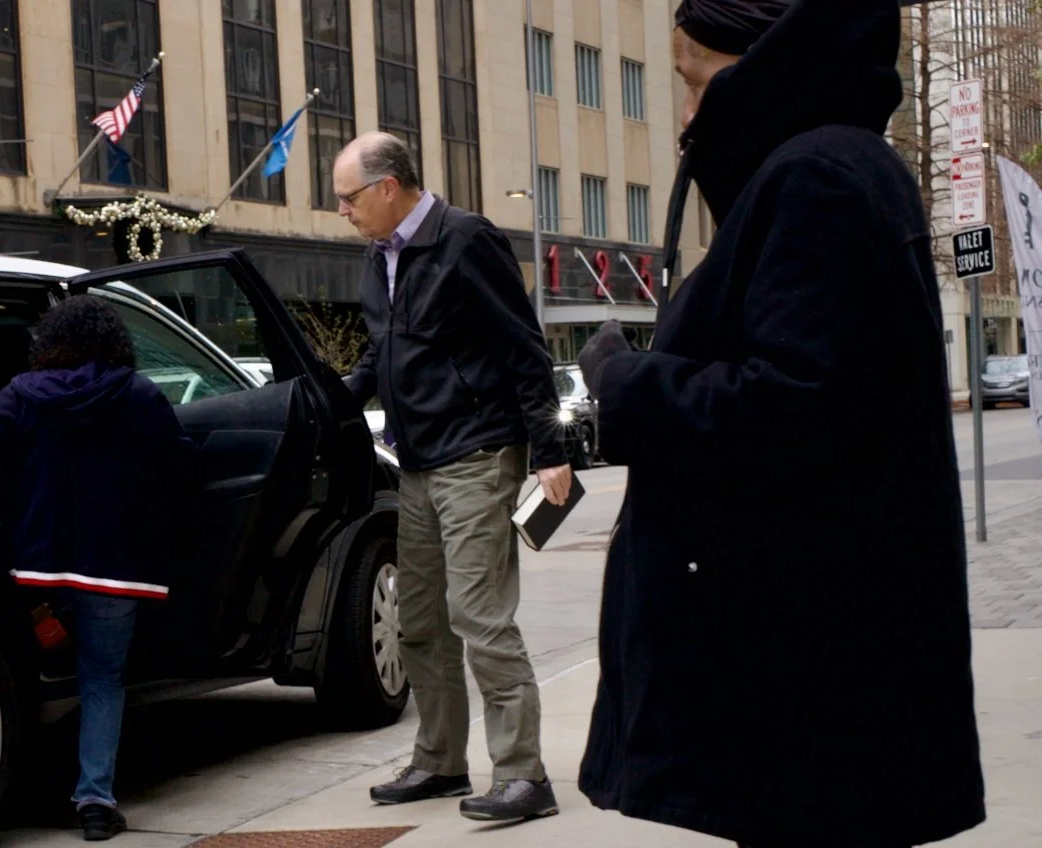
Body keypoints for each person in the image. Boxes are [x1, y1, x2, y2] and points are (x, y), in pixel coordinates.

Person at [574, 1, 986, 846]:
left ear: (758, 62)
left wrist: (630, 387)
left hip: (809, 692)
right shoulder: (829, 167)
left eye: (694, 83)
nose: (688, 118)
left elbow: (799, 408)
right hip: (816, 687)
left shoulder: (817, 178)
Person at [335, 131, 573, 822]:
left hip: (477, 452)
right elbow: (387, 355)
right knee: (419, 624)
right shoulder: (376, 257)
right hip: (415, 461)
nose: (343, 211)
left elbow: (523, 345)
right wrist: (335, 400)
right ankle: (440, 761)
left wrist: (550, 448)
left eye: (349, 198)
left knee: (480, 617)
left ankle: (525, 775)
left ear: (388, 187)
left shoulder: (466, 239)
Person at [0, 295, 197, 842]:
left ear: (49, 341)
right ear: (115, 342)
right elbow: (180, 466)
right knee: (102, 680)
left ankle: (7, 788)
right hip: (115, 568)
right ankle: (95, 801)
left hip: (34, 569)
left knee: (14, 671)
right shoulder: (139, 395)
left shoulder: (20, 395)